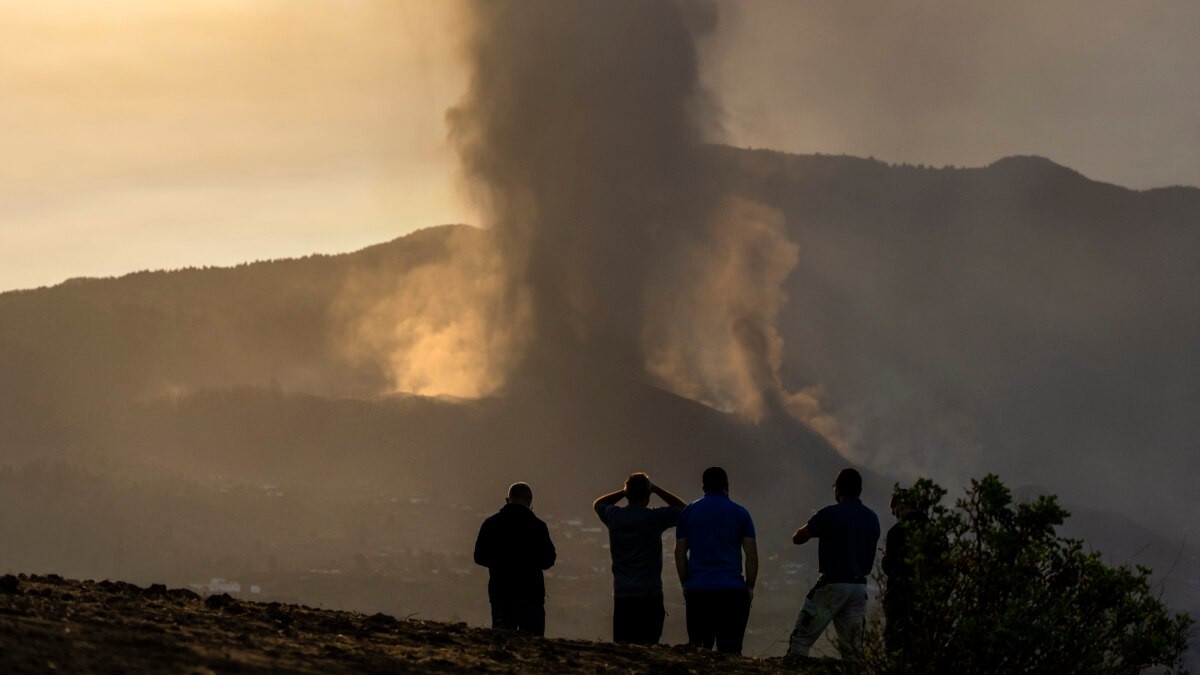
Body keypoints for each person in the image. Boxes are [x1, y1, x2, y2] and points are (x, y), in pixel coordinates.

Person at [788, 468, 880, 660]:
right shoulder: (872, 518)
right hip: (858, 589)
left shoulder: (829, 514)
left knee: (801, 640)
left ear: (837, 490)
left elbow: (798, 538)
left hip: (832, 587)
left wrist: (813, 525)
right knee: (854, 652)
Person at [593, 472, 687, 644]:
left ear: (628, 494)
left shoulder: (614, 516)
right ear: (647, 496)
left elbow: (599, 503)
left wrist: (624, 491)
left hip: (623, 594)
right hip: (650, 594)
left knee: (624, 648)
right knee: (649, 646)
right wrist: (657, 490)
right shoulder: (655, 518)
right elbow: (684, 510)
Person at [674, 466, 758, 654]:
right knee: (731, 652)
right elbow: (751, 555)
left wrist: (685, 583)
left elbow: (679, 553)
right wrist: (750, 587)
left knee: (700, 651)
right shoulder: (741, 513)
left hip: (699, 591)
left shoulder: (688, 513)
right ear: (727, 486)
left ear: (703, 487)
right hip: (732, 592)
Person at [473, 482, 556, 635]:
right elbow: (548, 560)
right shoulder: (538, 527)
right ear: (530, 500)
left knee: (502, 639)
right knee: (533, 644)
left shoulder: (491, 524)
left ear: (507, 499)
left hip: (501, 592)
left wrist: (500, 563)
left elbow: (479, 557)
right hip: (531, 594)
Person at [881, 484, 943, 658]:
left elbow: (892, 568)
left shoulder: (897, 532)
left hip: (900, 600)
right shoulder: (936, 531)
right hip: (930, 602)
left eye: (895, 513)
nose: (896, 516)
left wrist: (886, 559)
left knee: (896, 649)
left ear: (901, 506)